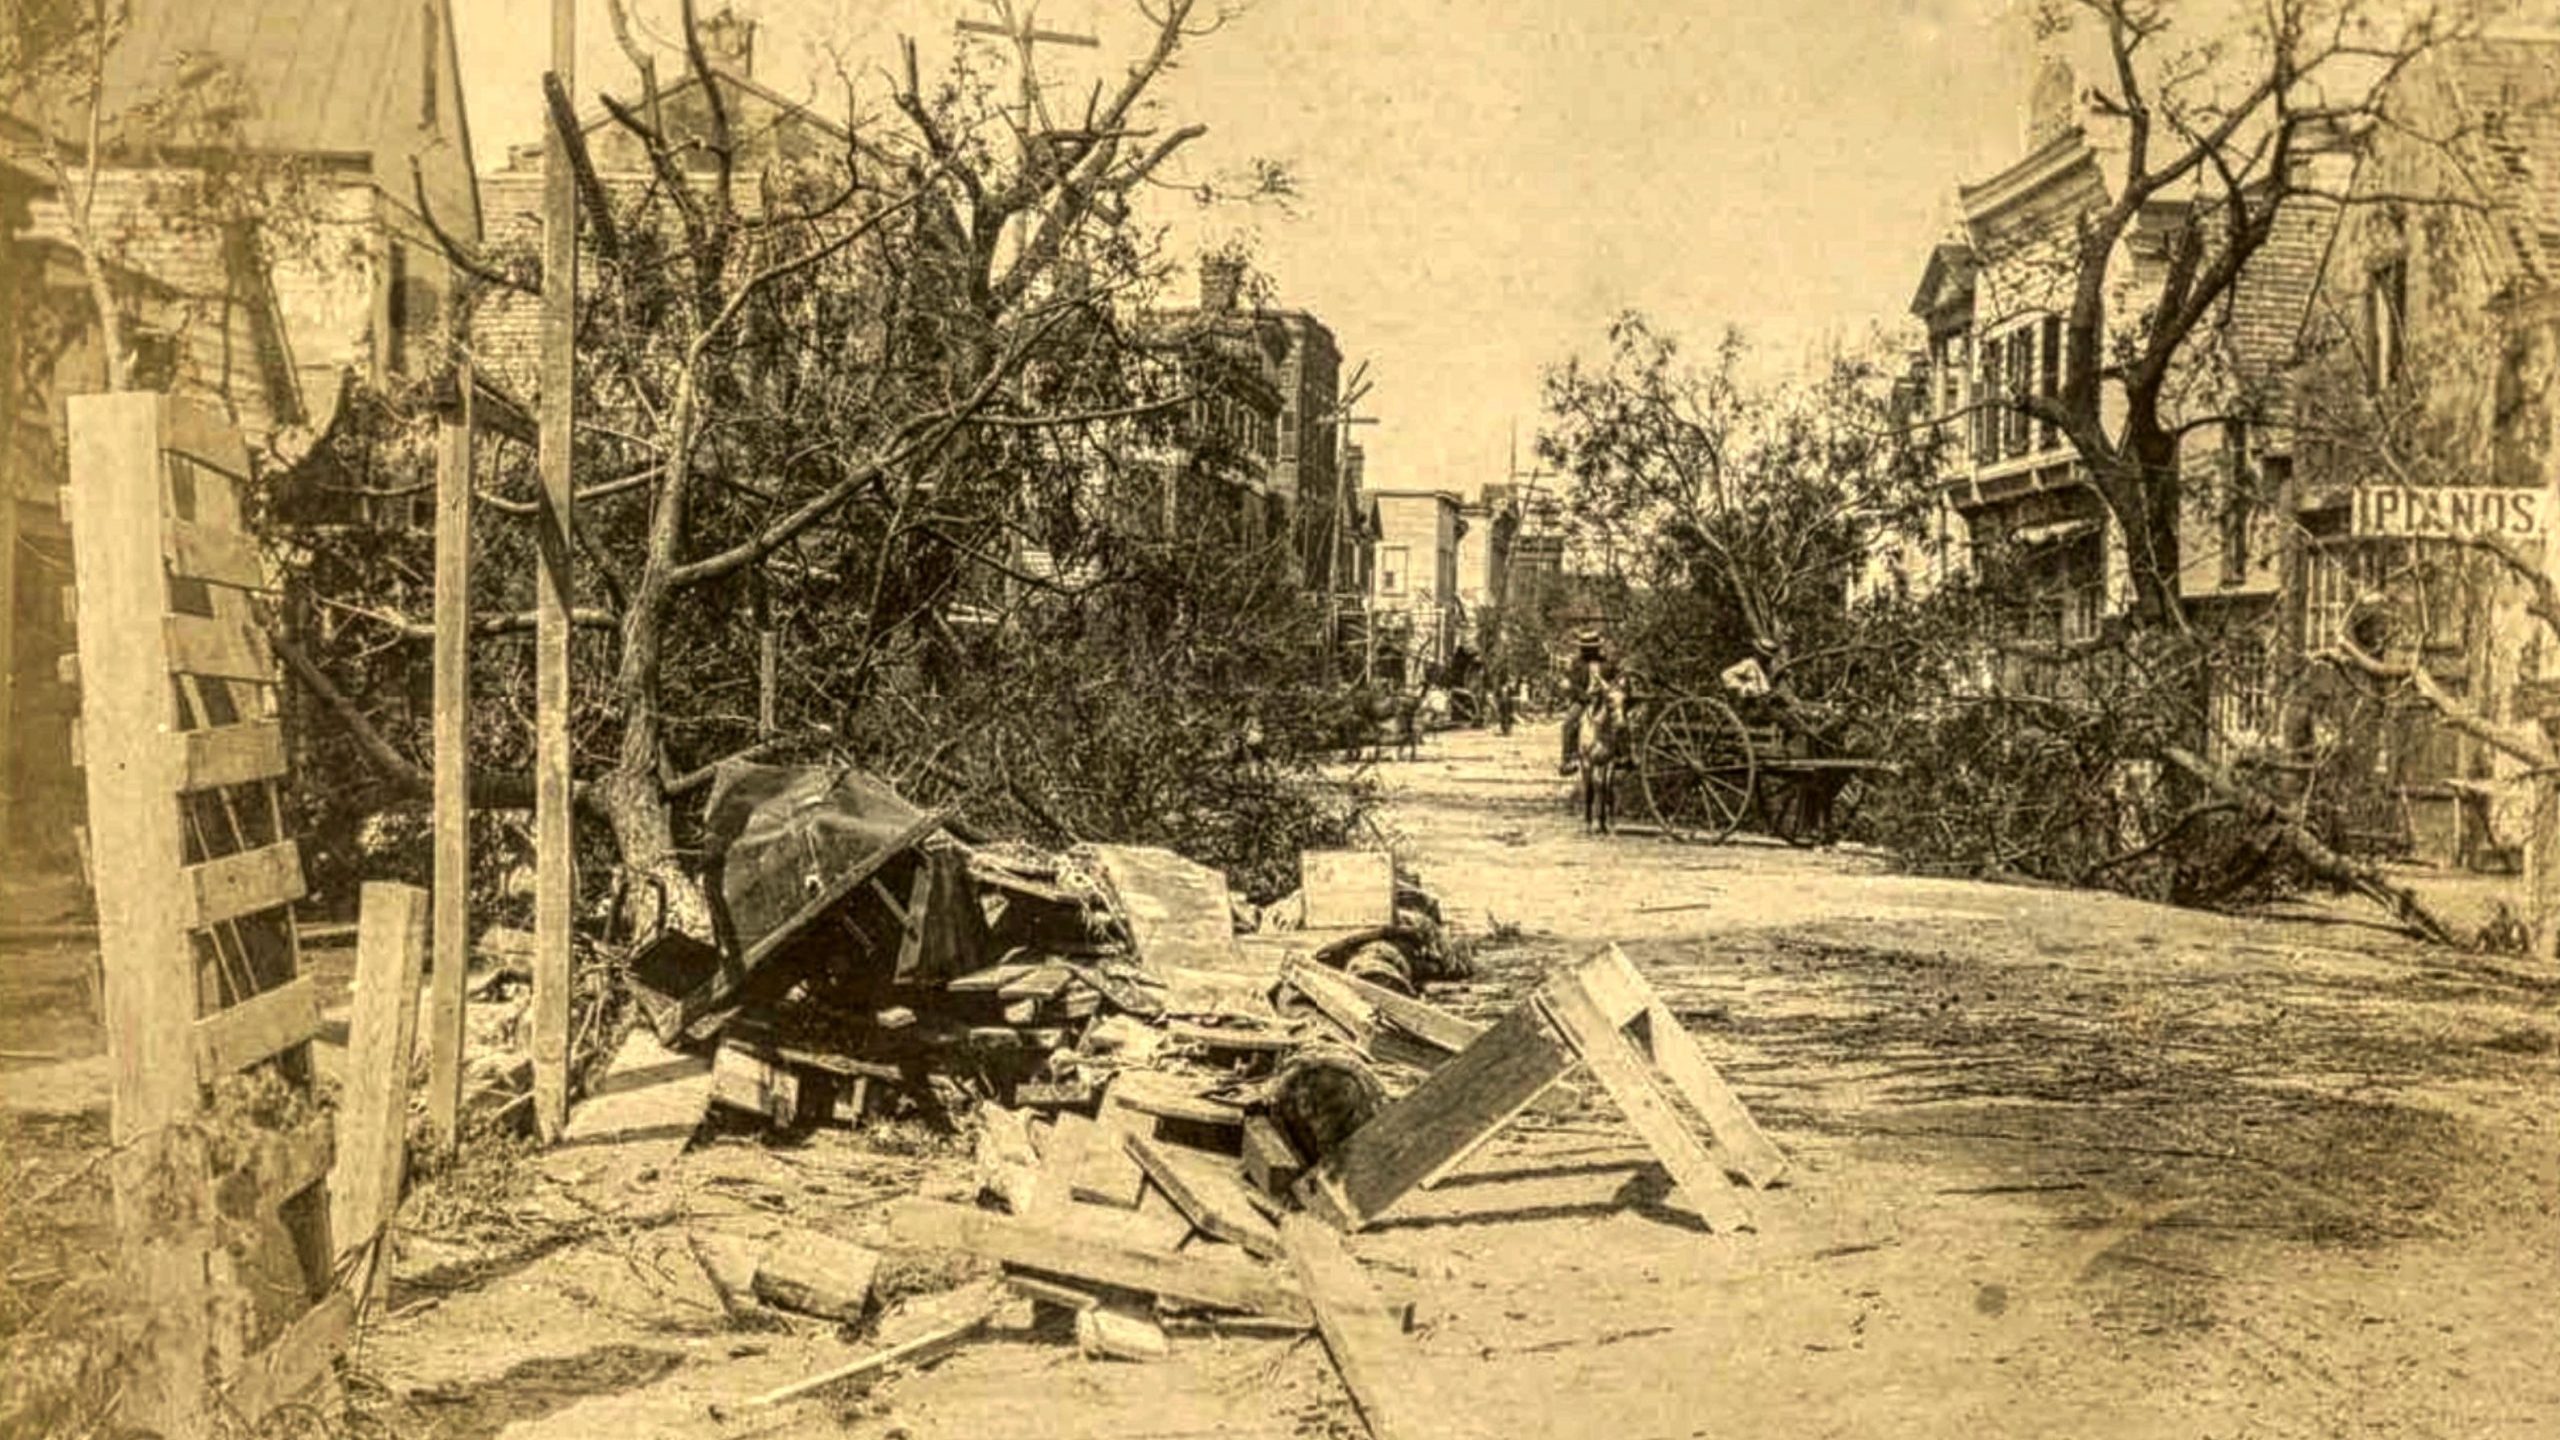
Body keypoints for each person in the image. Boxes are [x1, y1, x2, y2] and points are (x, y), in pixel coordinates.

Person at [1558, 653, 1606, 774]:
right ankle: (1568, 759)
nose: (1591, 650)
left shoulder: (1605, 663)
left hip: (1604, 699)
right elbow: (1575, 685)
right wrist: (1585, 697)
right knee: (1568, 723)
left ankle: (1625, 754)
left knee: (1620, 718)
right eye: (1588, 648)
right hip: (1583, 701)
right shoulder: (1578, 664)